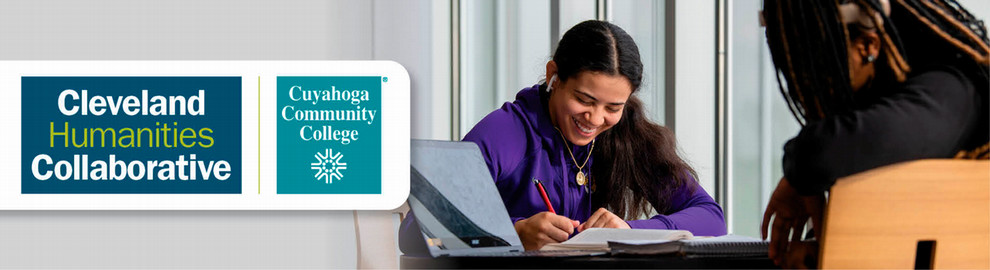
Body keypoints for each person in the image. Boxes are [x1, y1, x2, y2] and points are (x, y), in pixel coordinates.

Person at [400, 20, 726, 253]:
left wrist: (631, 230)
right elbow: (413, 231)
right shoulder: (503, 132)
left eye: (613, 107)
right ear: (553, 75)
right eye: (584, 100)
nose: (595, 119)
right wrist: (514, 233)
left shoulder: (629, 135)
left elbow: (711, 217)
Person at [760, 0, 989, 268]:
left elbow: (817, 154)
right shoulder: (893, 104)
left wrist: (798, 173)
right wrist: (816, 246)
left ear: (868, 46)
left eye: (814, 65)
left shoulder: (950, 92)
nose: (803, 86)